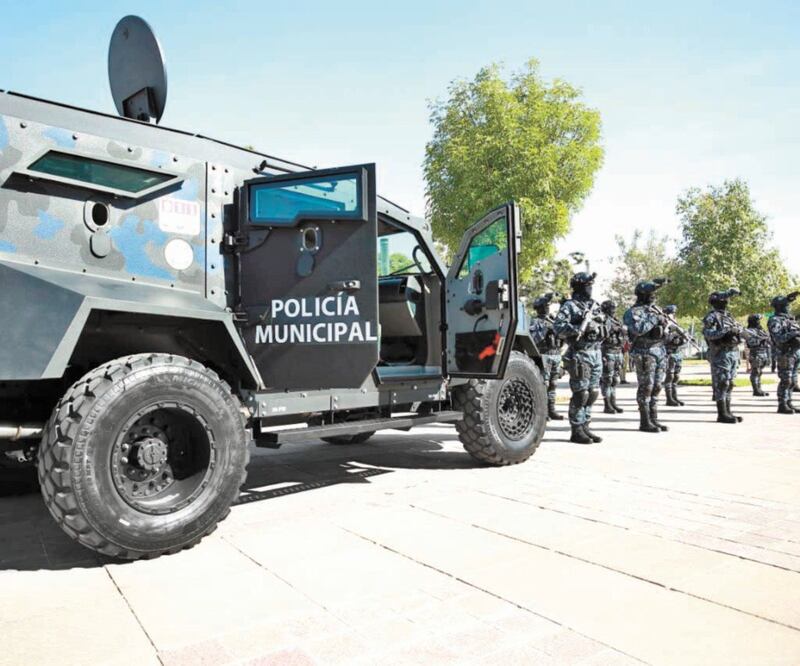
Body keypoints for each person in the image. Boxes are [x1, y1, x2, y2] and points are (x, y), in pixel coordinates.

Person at [553, 272, 606, 444]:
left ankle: (586, 426)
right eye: (587, 285)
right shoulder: (570, 306)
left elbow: (606, 322)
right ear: (580, 287)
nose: (590, 289)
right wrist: (579, 327)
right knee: (581, 394)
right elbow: (558, 327)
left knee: (593, 393)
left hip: (596, 352)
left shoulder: (594, 305)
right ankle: (576, 430)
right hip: (580, 353)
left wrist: (599, 325)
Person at [623, 279, 669, 433]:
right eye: (650, 293)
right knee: (646, 387)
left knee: (657, 386)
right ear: (642, 295)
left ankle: (654, 418)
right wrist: (655, 319)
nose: (653, 296)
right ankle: (645, 421)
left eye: (654, 293)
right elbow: (638, 329)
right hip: (644, 352)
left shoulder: (655, 309)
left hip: (659, 350)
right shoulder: (633, 312)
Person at [702, 289, 745, 423]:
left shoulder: (729, 316)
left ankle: (728, 411)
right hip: (720, 353)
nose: (726, 302)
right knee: (722, 383)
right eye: (724, 300)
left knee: (730, 383)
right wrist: (725, 331)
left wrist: (739, 332)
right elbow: (708, 333)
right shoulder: (712, 316)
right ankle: (722, 413)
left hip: (732, 352)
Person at [529, 292, 564, 421]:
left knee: (553, 384)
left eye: (548, 306)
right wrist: (545, 331)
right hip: (543, 355)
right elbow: (533, 339)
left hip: (555, 354)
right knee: (543, 384)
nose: (547, 308)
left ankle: (552, 410)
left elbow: (564, 337)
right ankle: (543, 412)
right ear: (539, 308)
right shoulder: (535, 322)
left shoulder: (553, 320)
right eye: (545, 306)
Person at [767, 292, 800, 414]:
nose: (788, 307)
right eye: (786, 305)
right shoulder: (774, 320)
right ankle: (782, 404)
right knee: (786, 380)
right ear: (780, 306)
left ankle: (789, 403)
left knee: (792, 381)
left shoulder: (790, 319)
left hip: (795, 352)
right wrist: (795, 334)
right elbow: (778, 337)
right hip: (784, 353)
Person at [599, 300, 627, 414]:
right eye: (612, 308)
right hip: (608, 351)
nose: (614, 310)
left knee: (615, 379)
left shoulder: (616, 320)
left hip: (617, 351)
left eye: (614, 308)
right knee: (607, 379)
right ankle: (607, 404)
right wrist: (616, 329)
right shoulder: (603, 319)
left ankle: (613, 402)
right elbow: (603, 333)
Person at [662, 305, 688, 407]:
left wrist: (681, 339)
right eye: (671, 313)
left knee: (676, 376)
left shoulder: (675, 324)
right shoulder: (665, 325)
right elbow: (662, 339)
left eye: (673, 313)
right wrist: (671, 334)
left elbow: (684, 338)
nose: (672, 315)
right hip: (669, 353)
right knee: (670, 375)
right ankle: (669, 398)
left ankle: (674, 396)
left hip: (677, 352)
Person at [743, 314, 771, 397]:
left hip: (763, 353)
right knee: (756, 371)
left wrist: (766, 338)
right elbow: (751, 343)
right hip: (755, 353)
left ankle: (759, 389)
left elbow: (769, 340)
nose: (759, 322)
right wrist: (761, 340)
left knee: (760, 372)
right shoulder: (748, 331)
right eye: (757, 320)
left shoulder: (761, 330)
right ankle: (756, 390)